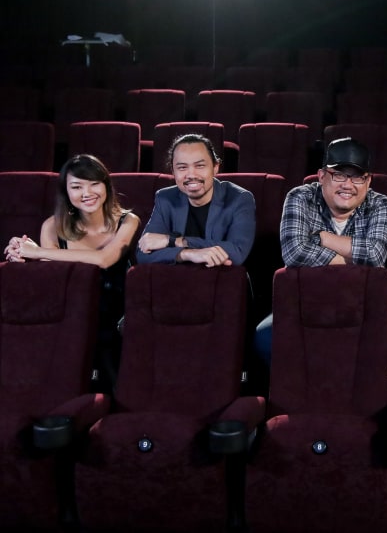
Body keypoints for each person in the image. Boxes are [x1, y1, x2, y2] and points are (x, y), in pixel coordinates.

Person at [254, 137, 387, 377]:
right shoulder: (300, 197)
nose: (348, 184)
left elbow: (376, 255)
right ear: (321, 176)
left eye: (357, 176)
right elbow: (294, 253)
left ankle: (384, 389)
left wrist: (322, 237)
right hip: (307, 296)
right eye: (339, 175)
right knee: (264, 337)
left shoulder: (381, 204)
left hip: (365, 298)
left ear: (367, 181)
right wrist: (357, 263)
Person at [4, 154, 140, 392]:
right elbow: (55, 279)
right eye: (76, 187)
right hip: (72, 318)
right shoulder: (53, 226)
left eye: (94, 184)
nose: (87, 193)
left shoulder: (128, 221)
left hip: (120, 319)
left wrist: (39, 253)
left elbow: (104, 260)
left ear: (106, 185)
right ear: (66, 192)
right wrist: (30, 254)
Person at [136, 133, 255, 266]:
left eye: (200, 166)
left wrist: (175, 241)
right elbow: (143, 254)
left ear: (215, 167)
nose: (191, 175)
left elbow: (237, 252)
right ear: (173, 172)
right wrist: (187, 254)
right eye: (182, 167)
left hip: (221, 281)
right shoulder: (165, 198)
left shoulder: (239, 198)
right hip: (176, 281)